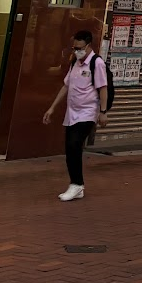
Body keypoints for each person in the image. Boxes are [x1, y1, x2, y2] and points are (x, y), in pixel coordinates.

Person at [43, 28, 108, 201]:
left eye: (79, 48)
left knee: (74, 144)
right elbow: (66, 86)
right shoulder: (75, 63)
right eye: (74, 48)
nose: (77, 51)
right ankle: (76, 184)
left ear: (88, 45)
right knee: (70, 148)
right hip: (72, 113)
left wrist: (103, 112)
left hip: (88, 112)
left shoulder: (97, 63)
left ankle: (77, 185)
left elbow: (103, 88)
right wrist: (52, 108)